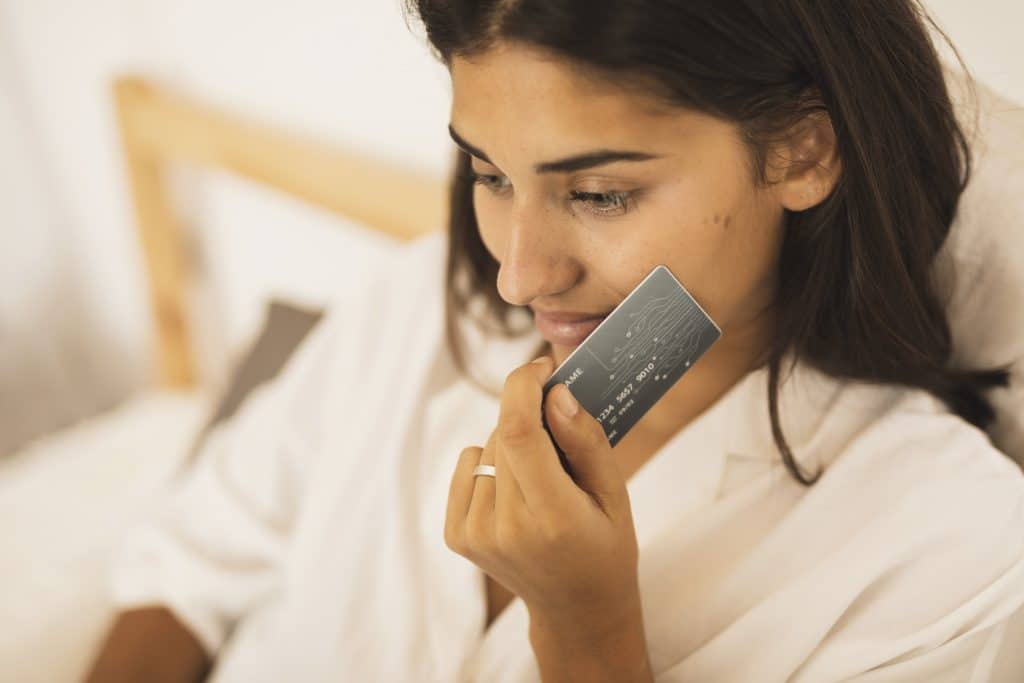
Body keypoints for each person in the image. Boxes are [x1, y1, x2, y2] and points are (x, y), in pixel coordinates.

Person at [86, 1, 1024, 681]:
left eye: (600, 194)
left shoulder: (947, 548)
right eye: (490, 175)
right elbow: (190, 566)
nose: (519, 277)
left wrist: (588, 630)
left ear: (802, 153)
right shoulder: (421, 307)